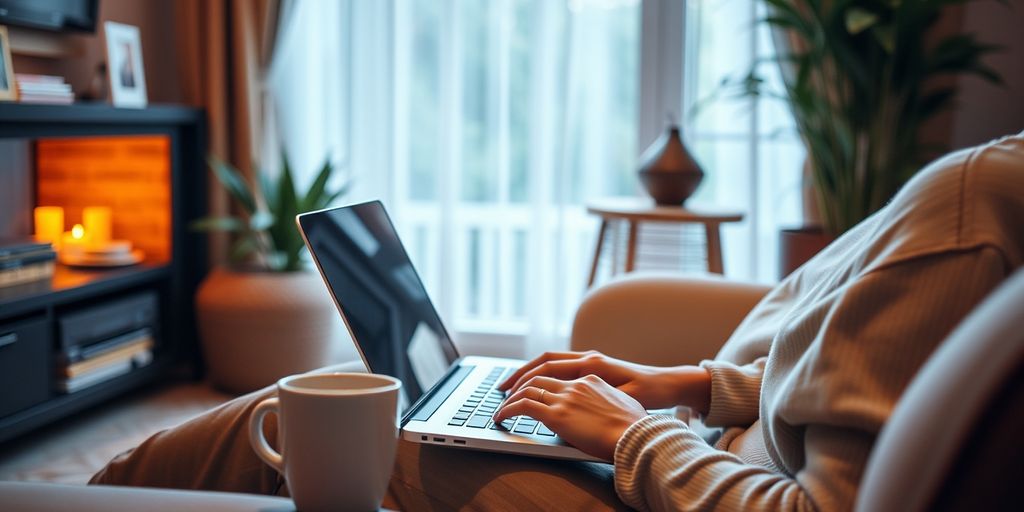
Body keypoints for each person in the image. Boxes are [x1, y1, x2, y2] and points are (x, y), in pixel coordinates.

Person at [91, 133, 1024, 511]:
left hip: (673, 481)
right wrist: (691, 385)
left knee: (303, 424)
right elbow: (875, 383)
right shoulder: (986, 201)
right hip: (700, 440)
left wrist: (636, 435)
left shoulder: (974, 211)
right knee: (378, 404)